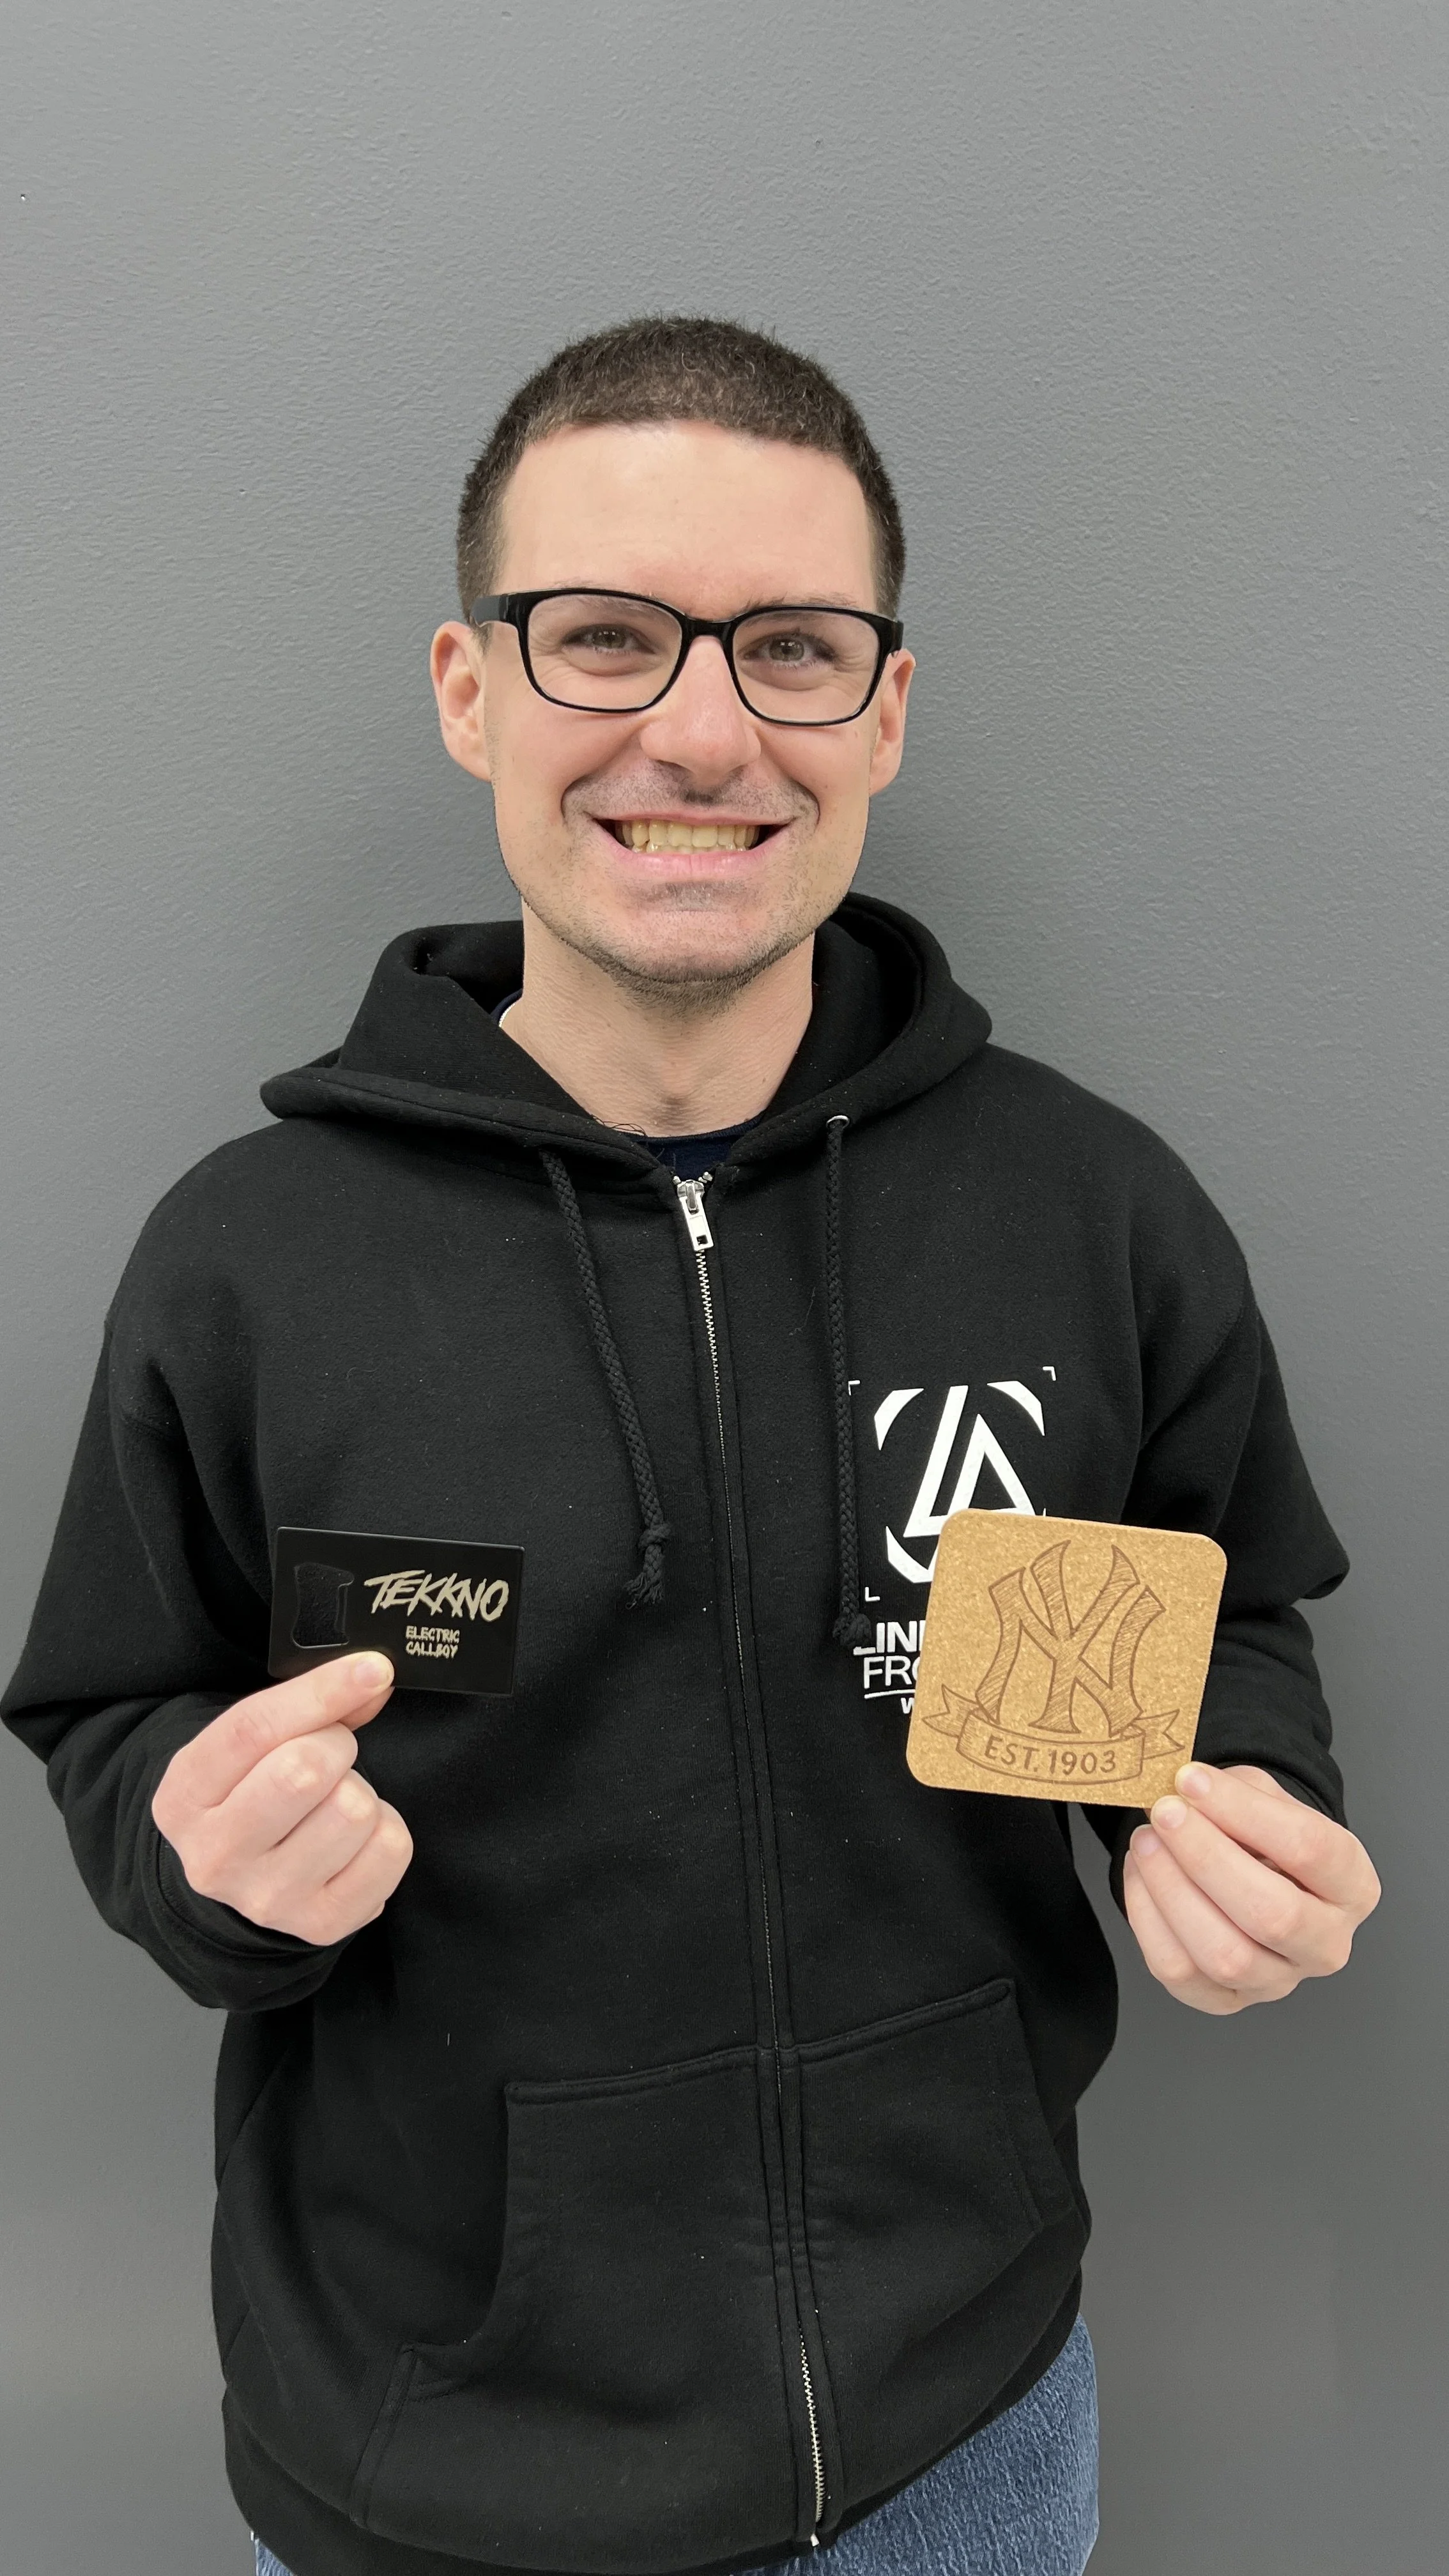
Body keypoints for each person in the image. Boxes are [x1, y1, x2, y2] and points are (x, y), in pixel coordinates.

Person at [2, 317, 1379, 2576]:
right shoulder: (247, 1261)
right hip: (421, 2475)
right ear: (471, 689)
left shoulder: (1088, 1212)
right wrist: (200, 1857)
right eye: (606, 640)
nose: (703, 728)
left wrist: (1236, 1824)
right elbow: (110, 1715)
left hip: (971, 2439)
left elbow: (1224, 1625)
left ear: (887, 709)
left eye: (794, 649)